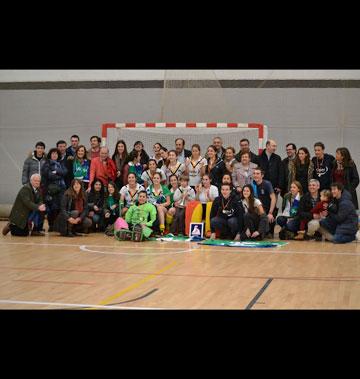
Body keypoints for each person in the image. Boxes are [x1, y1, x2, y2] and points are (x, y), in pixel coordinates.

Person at [41, 148, 68, 232]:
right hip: (50, 190)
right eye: (53, 153)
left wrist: (56, 171)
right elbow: (49, 175)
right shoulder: (46, 163)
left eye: (56, 154)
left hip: (61, 190)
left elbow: (65, 172)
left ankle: (57, 226)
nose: (54, 155)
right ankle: (51, 225)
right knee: (51, 209)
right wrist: (59, 174)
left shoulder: (61, 163)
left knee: (59, 208)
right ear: (50, 155)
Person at [252, 168, 277, 236]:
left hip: (268, 208)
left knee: (269, 217)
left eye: (257, 173)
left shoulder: (267, 184)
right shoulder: (252, 184)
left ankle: (268, 231)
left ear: (262, 175)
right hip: (258, 208)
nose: (255, 175)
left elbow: (273, 198)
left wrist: (270, 212)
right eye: (254, 173)